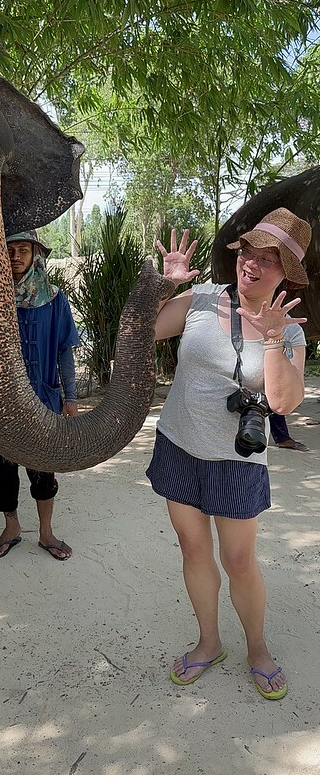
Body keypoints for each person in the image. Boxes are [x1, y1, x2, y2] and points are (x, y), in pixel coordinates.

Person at [146, 208, 312, 700]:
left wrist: (275, 337)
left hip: (238, 462)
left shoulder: (292, 331)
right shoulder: (200, 299)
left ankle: (257, 649)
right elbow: (145, 329)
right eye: (249, 253)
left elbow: (283, 401)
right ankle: (209, 642)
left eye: (269, 260)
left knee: (239, 561)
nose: (253, 265)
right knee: (192, 549)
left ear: (284, 274)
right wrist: (163, 283)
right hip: (179, 446)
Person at [0, 229, 79, 561]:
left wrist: (71, 397)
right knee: (2, 467)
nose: (15, 256)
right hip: (0, 403)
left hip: (45, 398)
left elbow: (64, 352)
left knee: (43, 467)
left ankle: (46, 533)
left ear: (36, 254)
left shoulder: (54, 299)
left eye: (22, 249)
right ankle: (11, 528)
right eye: (8, 250)